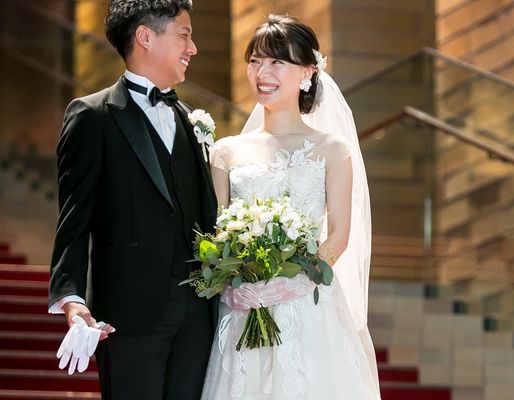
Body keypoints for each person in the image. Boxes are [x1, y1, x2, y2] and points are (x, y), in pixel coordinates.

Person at [201, 14, 380, 399]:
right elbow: (216, 234)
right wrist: (231, 286)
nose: (262, 73)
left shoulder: (332, 149)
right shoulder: (225, 152)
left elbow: (339, 235)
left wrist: (296, 281)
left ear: (307, 72)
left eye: (277, 61)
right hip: (244, 305)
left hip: (308, 305)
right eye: (255, 61)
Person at [48, 0, 218, 398]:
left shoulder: (190, 120)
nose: (193, 49)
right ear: (145, 37)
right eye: (184, 36)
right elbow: (74, 220)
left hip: (198, 318)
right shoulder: (92, 116)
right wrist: (72, 299)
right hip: (128, 317)